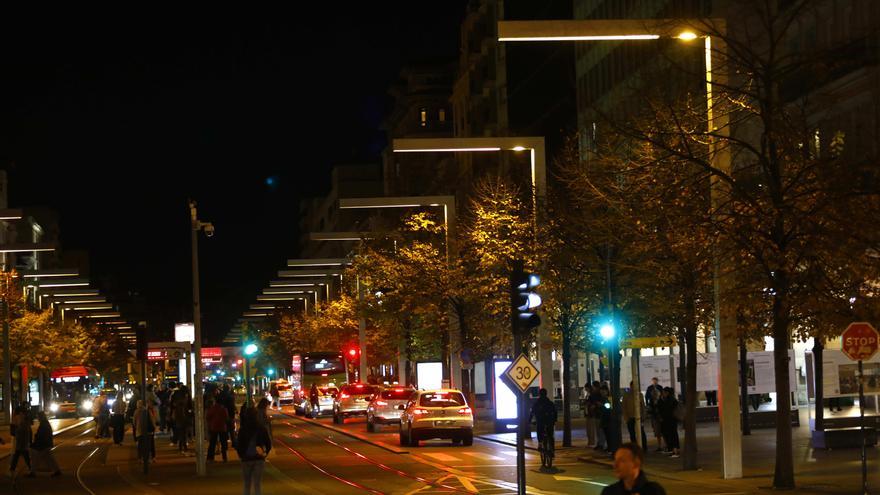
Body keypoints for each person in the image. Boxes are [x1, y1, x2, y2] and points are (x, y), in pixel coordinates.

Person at [601, 443, 666, 495]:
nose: (615, 465)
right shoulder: (610, 492)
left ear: (636, 463)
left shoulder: (654, 491)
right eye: (615, 460)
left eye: (622, 461)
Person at [237, 408, 272, 495]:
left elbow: (238, 444)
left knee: (247, 484)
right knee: (257, 484)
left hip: (246, 459)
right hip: (258, 459)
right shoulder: (261, 428)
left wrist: (241, 455)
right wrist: (264, 453)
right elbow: (268, 443)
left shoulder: (243, 429)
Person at [31, 412, 62, 477]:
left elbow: (41, 435)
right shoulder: (45, 423)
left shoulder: (44, 424)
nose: (38, 418)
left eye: (38, 417)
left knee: (36, 457)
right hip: (46, 443)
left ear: (41, 417)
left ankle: (33, 472)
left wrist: (35, 442)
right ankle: (57, 470)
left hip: (43, 444)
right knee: (50, 458)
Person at [9, 405, 36, 478]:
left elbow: (15, 431)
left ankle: (30, 468)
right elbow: (28, 430)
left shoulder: (19, 419)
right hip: (22, 441)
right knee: (20, 454)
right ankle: (13, 468)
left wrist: (16, 432)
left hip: (20, 441)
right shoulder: (25, 419)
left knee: (19, 454)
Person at [529, 388, 557, 455]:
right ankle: (552, 450)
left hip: (540, 421)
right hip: (549, 421)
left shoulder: (537, 403)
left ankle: (540, 444)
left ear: (539, 394)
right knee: (550, 435)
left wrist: (530, 420)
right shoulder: (550, 403)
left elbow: (532, 412)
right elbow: (555, 411)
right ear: (546, 394)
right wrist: (555, 419)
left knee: (539, 431)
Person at [622, 382, 648, 448]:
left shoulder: (640, 395)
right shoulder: (626, 395)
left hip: (639, 417)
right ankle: (634, 447)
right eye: (633, 386)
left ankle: (644, 446)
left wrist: (643, 415)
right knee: (632, 433)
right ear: (630, 386)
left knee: (641, 432)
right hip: (630, 417)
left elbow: (643, 406)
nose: (634, 387)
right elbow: (624, 407)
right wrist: (626, 417)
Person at [657, 387, 680, 458]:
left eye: (664, 392)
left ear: (667, 393)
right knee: (669, 435)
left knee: (673, 435)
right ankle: (672, 449)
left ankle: (675, 451)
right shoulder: (666, 400)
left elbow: (668, 410)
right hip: (668, 421)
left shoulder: (671, 400)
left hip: (671, 420)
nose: (662, 394)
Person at [645, 377, 664, 452]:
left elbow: (662, 396)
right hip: (653, 411)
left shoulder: (660, 387)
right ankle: (660, 445)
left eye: (656, 381)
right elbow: (647, 397)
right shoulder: (649, 388)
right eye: (654, 381)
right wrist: (648, 405)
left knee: (661, 429)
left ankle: (663, 445)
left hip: (659, 411)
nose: (655, 382)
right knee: (656, 430)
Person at [171, 385, 192, 453]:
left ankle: (181, 446)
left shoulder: (176, 395)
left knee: (180, 431)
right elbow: (190, 406)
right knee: (184, 431)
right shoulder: (186, 396)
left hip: (178, 416)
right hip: (184, 416)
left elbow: (171, 404)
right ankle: (184, 446)